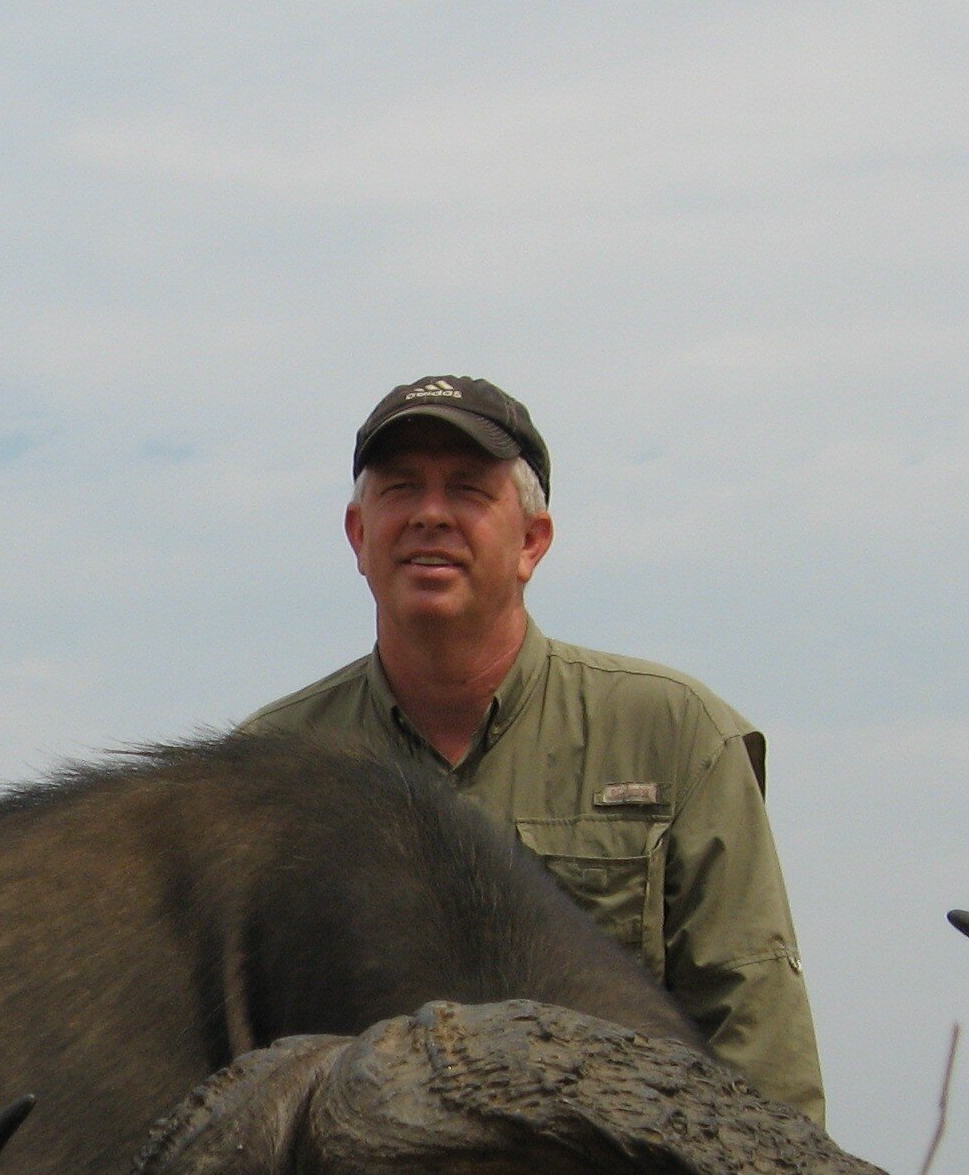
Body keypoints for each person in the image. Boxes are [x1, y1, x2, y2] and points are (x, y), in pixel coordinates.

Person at [244, 375, 825, 1122]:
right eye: (400, 489)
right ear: (359, 536)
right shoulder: (269, 766)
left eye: (466, 490)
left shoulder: (676, 734)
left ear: (532, 542)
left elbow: (756, 1034)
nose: (429, 514)